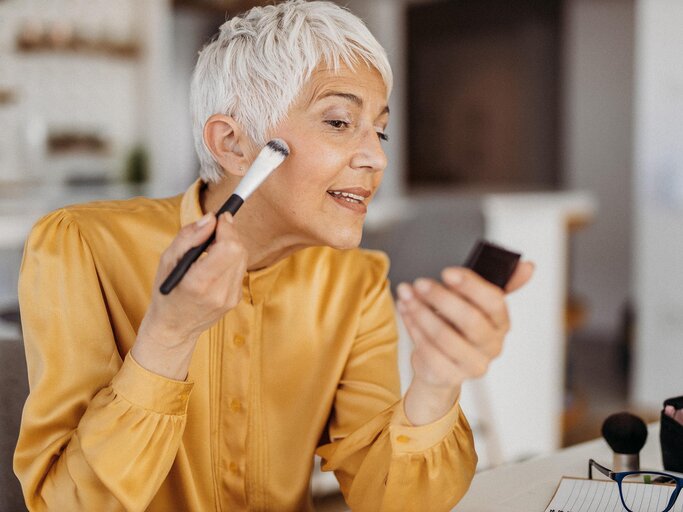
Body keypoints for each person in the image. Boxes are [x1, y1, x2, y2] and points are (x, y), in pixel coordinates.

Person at [14, 1, 534, 511]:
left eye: (379, 129)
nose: (376, 157)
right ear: (234, 144)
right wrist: (167, 337)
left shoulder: (356, 283)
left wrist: (436, 383)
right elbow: (68, 504)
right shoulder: (81, 247)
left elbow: (392, 502)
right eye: (338, 122)